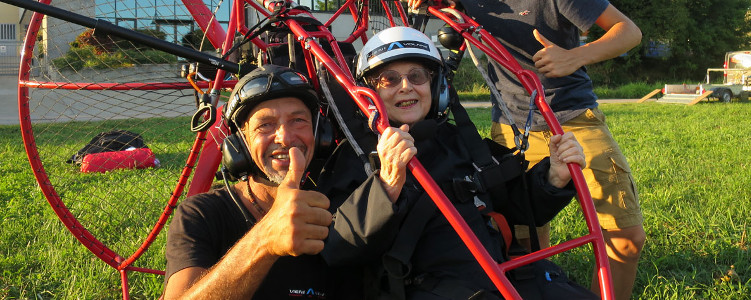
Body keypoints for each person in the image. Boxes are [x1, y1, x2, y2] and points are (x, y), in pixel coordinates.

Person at [316, 26, 593, 299]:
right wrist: (386, 184)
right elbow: (339, 250)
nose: (405, 87)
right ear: (369, 92)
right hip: (425, 287)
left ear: (437, 86)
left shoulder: (460, 140)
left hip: (506, 275)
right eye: (388, 79)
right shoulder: (356, 157)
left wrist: (553, 177)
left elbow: (516, 207)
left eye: (417, 76)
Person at [408, 0, 646, 298]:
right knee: (523, 239)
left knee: (626, 238)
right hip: (512, 125)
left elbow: (629, 32)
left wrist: (574, 57)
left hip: (574, 117)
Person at [162, 65, 363, 299]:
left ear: (320, 135)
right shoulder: (200, 213)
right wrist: (265, 240)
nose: (285, 138)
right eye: (265, 125)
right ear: (241, 142)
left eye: (298, 120)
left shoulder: (339, 209)